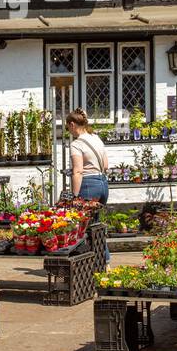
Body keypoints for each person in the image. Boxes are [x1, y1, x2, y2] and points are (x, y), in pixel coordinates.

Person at [67, 109, 110, 264]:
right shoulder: (96, 138)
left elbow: (78, 171)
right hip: (103, 184)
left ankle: (87, 264)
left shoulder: (76, 144)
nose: (69, 132)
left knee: (82, 227)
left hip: (88, 185)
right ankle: (103, 262)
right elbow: (105, 165)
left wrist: (74, 196)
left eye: (68, 128)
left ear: (72, 125)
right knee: (96, 226)